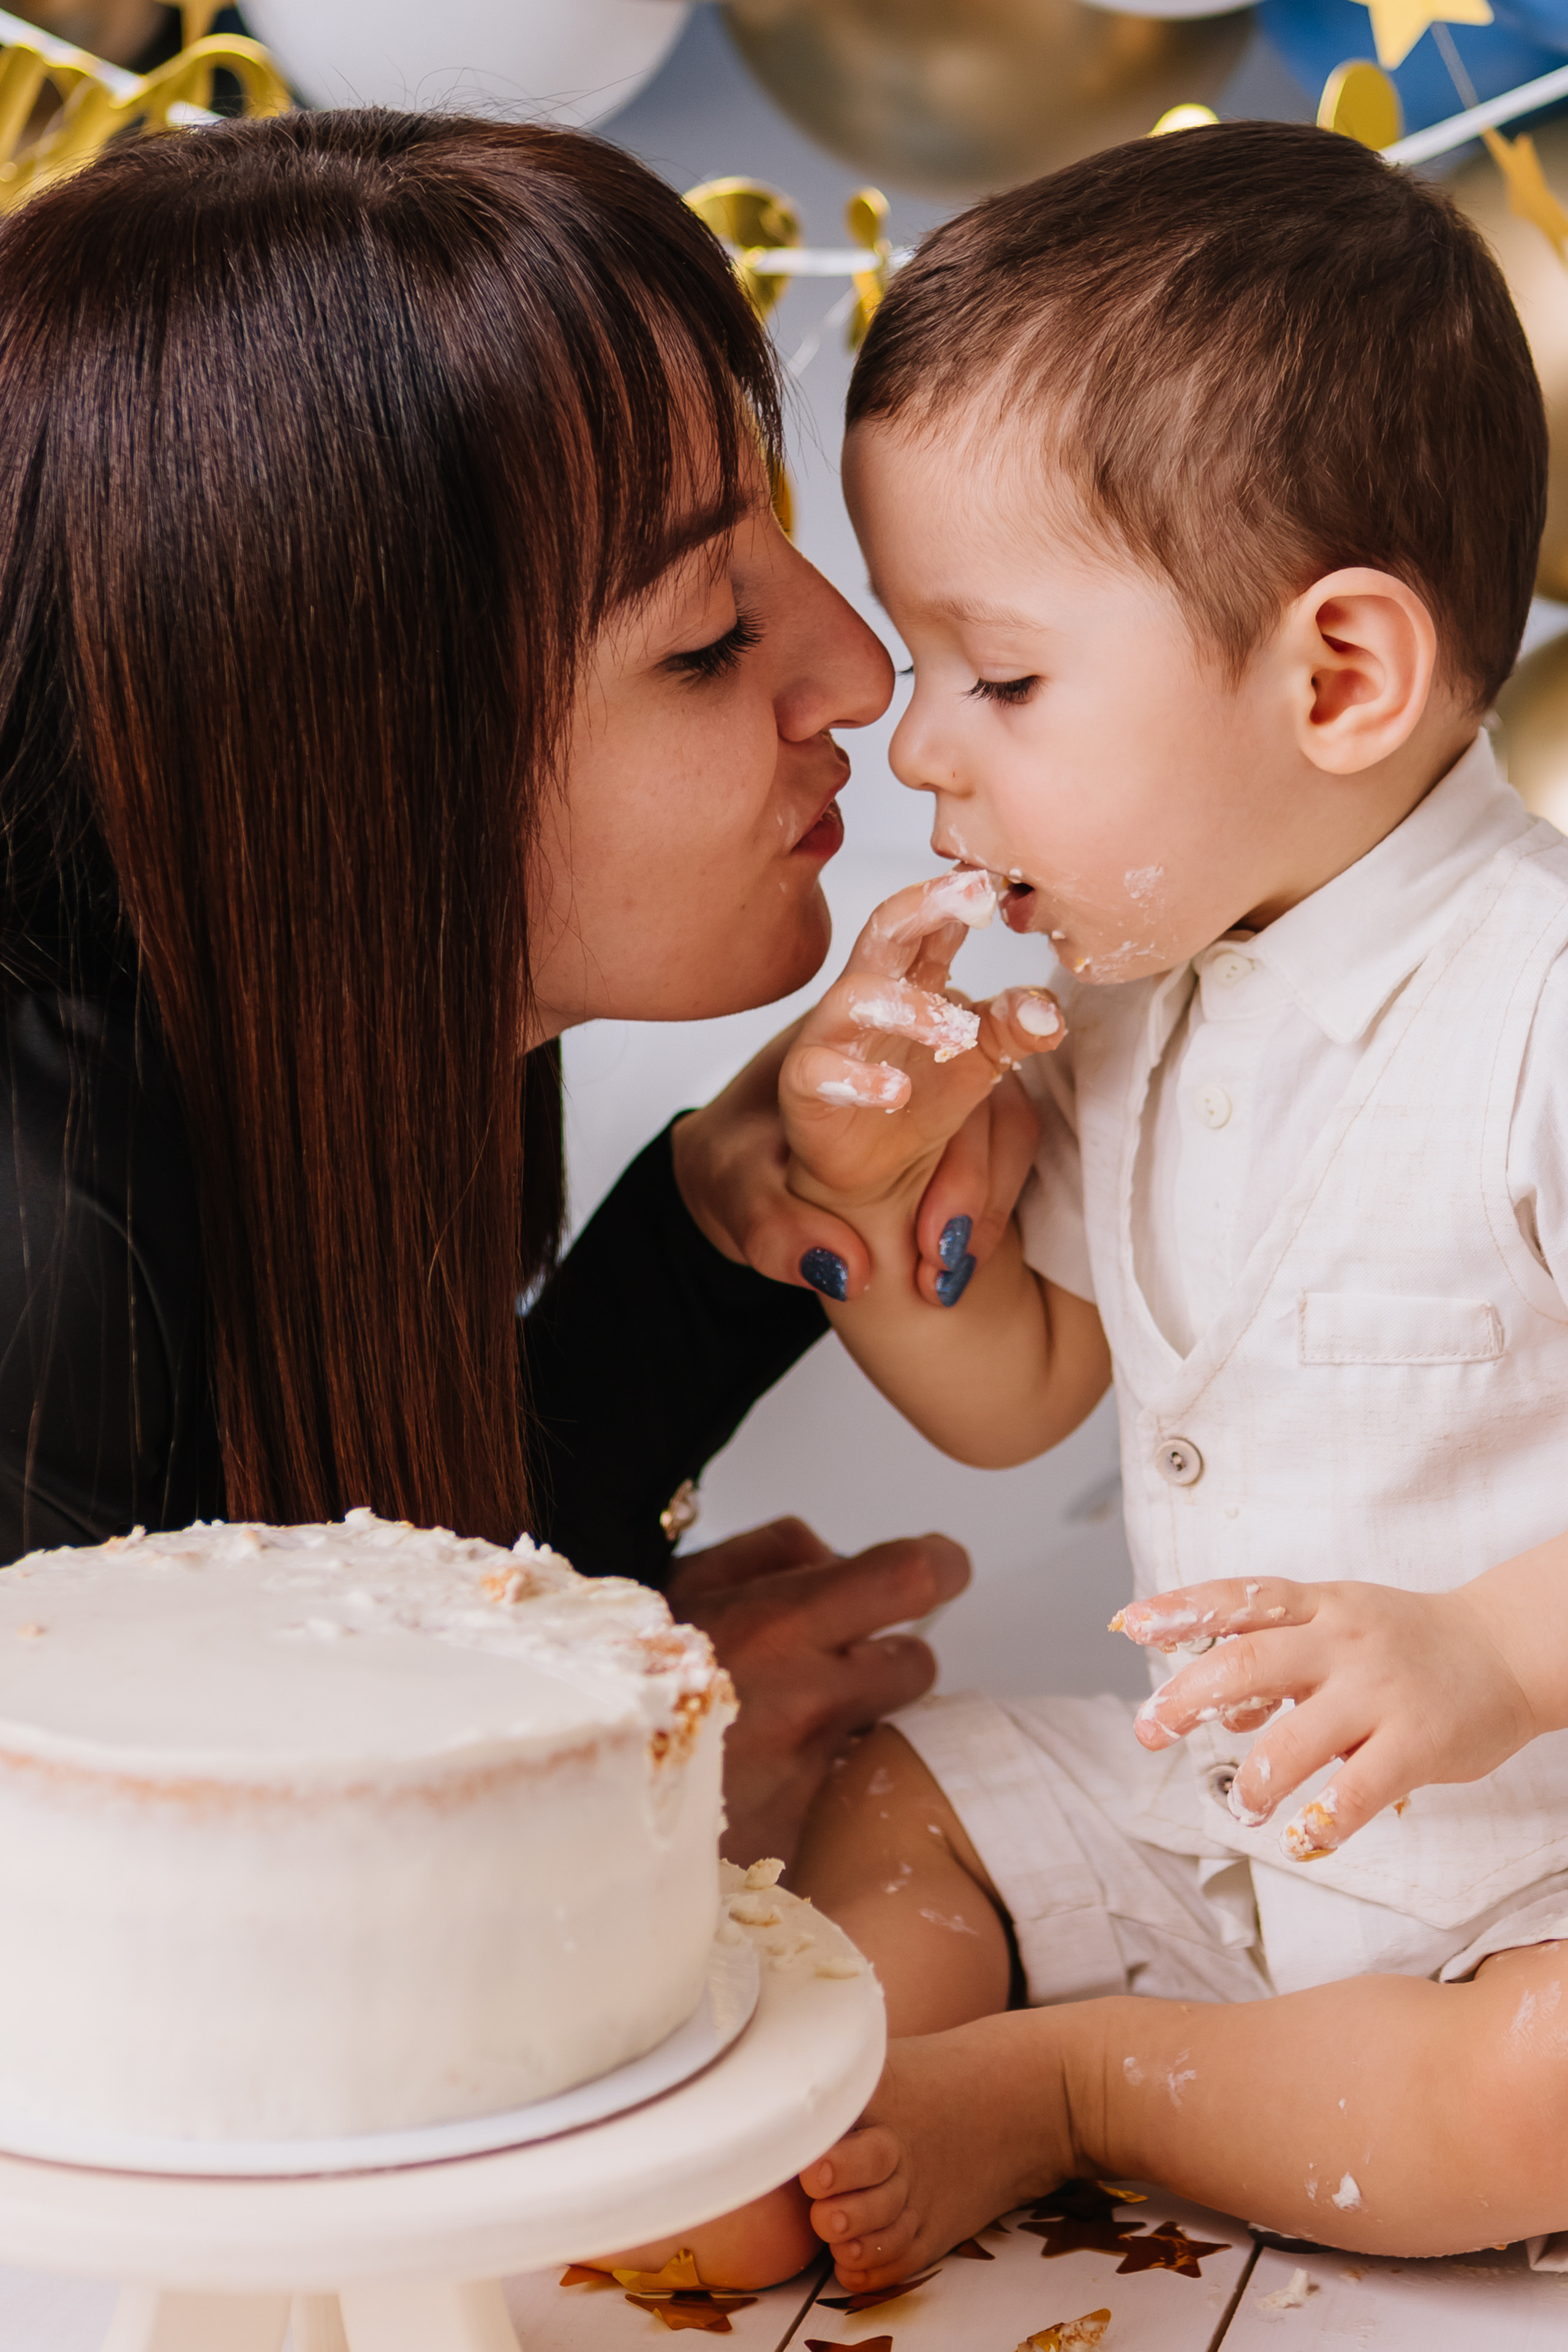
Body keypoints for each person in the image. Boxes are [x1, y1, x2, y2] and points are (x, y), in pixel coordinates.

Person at [612, 119, 1568, 2289]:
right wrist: (860, 1212)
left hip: (1526, 1879)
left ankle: (1080, 2085)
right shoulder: (1138, 993)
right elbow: (1026, 1388)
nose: (917, 751)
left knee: (1544, 2088)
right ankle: (848, 2084)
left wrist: (1493, 1652)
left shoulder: (1540, 1006)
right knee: (909, 1788)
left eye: (1001, 677)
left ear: (1337, 679)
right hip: (1214, 1829)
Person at [0, 106, 1019, 1864]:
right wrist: (618, 1806)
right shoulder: (35, 1250)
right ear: (353, 767)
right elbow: (133, 1992)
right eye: (705, 638)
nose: (857, 673)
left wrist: (716, 1228)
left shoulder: (283, 1033)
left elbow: (328, 1567)